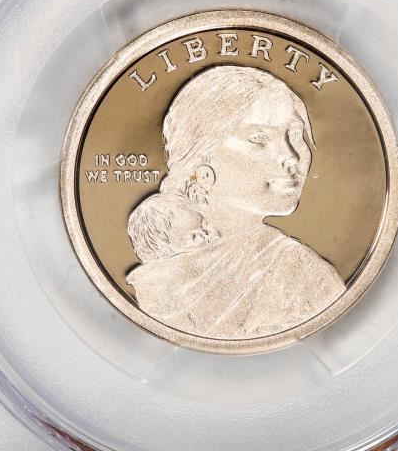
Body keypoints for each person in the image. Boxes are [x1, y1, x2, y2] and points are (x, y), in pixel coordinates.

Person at [126, 65, 344, 340]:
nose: (292, 156)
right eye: (259, 139)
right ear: (200, 158)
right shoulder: (157, 268)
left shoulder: (302, 273)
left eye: (294, 135)